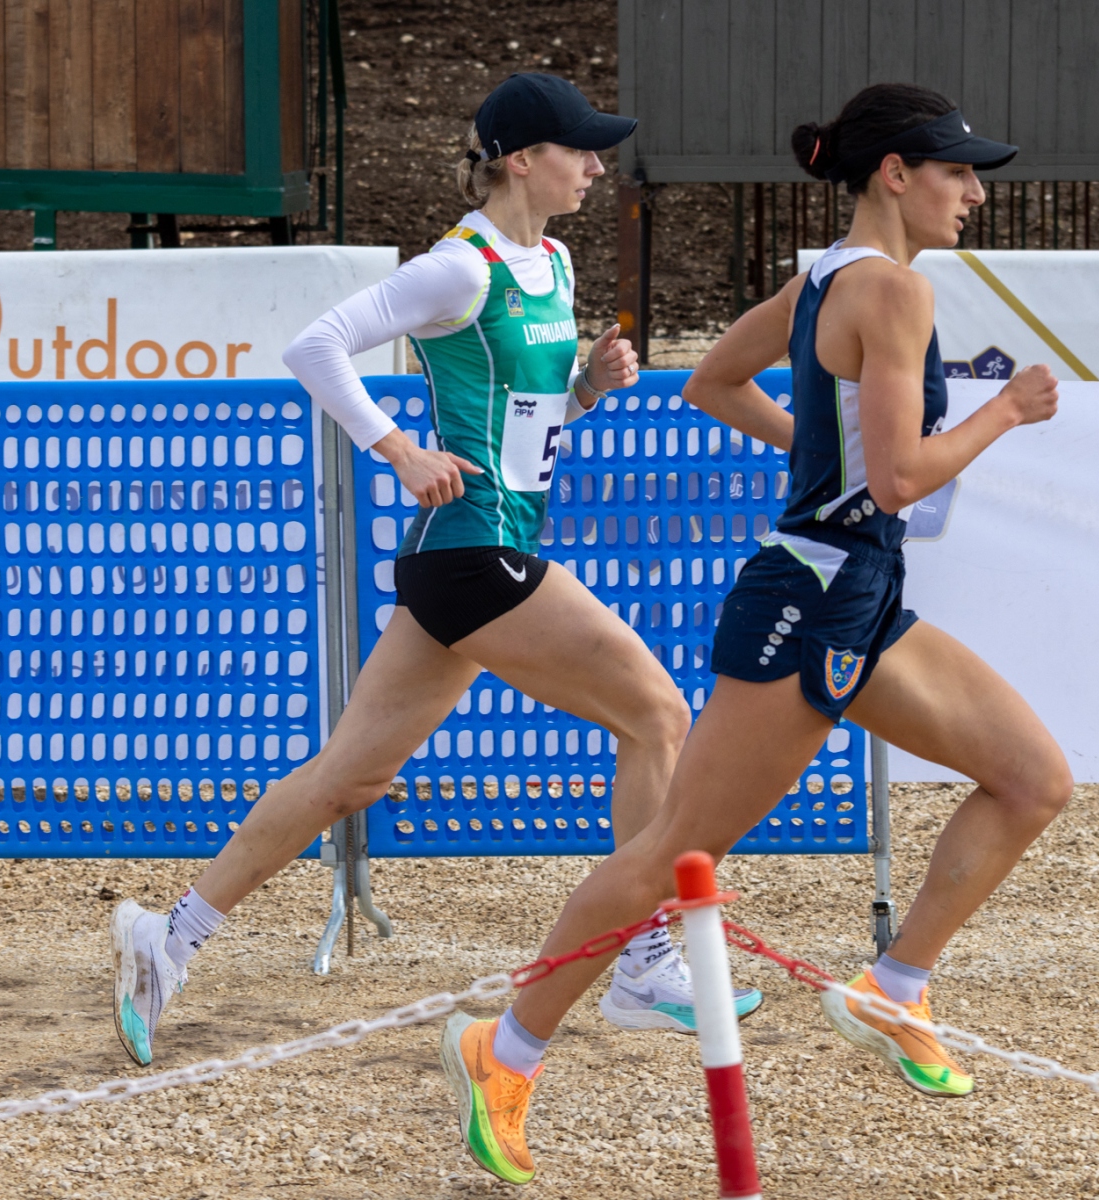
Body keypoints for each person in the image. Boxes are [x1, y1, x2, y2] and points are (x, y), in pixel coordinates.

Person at [441, 82, 1074, 1183]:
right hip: (812, 600)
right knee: (674, 853)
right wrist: (1003, 411)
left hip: (854, 587)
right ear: (894, 174)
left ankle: (893, 990)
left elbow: (716, 384)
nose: (975, 193)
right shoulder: (891, 291)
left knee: (1032, 780)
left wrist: (818, 466)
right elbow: (901, 478)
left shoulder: (825, 276)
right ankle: (504, 1048)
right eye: (958, 171)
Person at [108, 73, 762, 1096]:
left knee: (348, 777)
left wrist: (586, 390)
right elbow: (313, 346)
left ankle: (169, 936)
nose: (598, 167)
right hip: (472, 549)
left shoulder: (551, 262)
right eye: (580, 150)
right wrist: (398, 447)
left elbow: (520, 421)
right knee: (657, 715)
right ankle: (642, 962)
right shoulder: (459, 267)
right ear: (520, 160)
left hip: (467, 549)